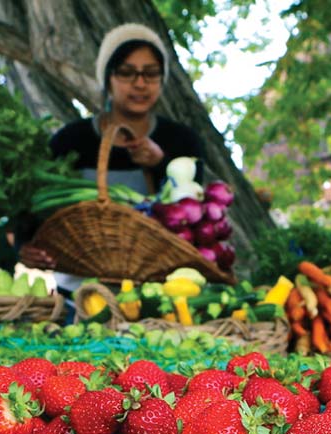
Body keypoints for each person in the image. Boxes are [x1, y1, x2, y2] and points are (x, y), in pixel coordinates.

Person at [15, 23, 206, 284]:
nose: (140, 84)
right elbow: (31, 207)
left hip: (160, 289)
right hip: (78, 289)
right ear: (108, 79)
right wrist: (25, 245)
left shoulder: (182, 142)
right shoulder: (71, 141)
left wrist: (162, 164)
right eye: (127, 73)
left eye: (150, 74)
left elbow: (195, 213)